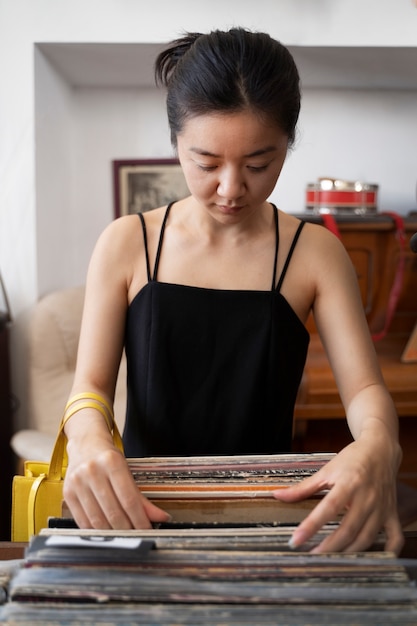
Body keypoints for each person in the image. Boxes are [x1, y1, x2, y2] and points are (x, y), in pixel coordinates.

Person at [63, 27, 403, 554]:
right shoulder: (128, 243)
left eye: (259, 165)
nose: (230, 188)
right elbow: (88, 388)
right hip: (137, 510)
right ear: (176, 142)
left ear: (287, 145)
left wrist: (380, 441)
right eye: (206, 163)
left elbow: (363, 392)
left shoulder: (314, 254)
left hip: (269, 516)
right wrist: (86, 439)